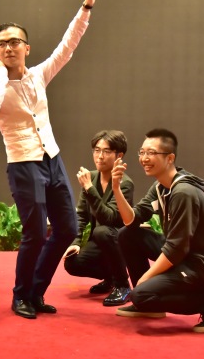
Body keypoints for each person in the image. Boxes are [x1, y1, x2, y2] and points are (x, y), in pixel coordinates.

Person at [0, 0, 104, 319]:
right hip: (23, 164)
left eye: (15, 42)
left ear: (27, 47)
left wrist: (86, 7)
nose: (9, 47)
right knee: (34, 233)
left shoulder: (38, 75)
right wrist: (1, 73)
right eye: (2, 44)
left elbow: (67, 46)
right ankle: (21, 295)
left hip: (53, 159)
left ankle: (36, 292)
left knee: (68, 229)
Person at [111, 128, 204, 333]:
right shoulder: (160, 187)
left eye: (151, 153)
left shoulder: (183, 192)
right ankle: (147, 303)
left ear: (170, 158)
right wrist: (116, 188)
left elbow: (177, 248)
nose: (144, 158)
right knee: (127, 235)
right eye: (142, 152)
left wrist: (145, 278)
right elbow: (131, 220)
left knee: (140, 293)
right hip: (185, 255)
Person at [63, 130, 133, 307]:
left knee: (102, 231)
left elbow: (109, 218)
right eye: (97, 150)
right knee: (72, 263)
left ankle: (123, 285)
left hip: (118, 241)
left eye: (106, 151)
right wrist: (76, 242)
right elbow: (81, 215)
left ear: (119, 155)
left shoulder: (125, 183)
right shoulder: (92, 177)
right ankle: (110, 278)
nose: (100, 156)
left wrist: (89, 188)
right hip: (100, 240)